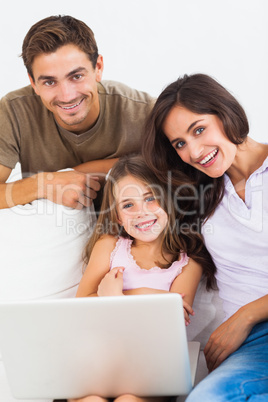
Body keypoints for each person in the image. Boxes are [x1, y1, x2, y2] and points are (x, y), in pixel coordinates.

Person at [142, 73, 268, 401]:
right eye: (180, 143)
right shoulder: (198, 195)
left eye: (199, 129)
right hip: (255, 346)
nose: (194, 151)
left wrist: (248, 314)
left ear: (225, 113)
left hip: (247, 324)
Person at [70, 154, 217, 402]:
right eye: (128, 205)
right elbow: (81, 305)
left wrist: (117, 296)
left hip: (150, 361)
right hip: (100, 357)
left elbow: (174, 316)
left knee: (130, 399)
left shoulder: (188, 259)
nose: (142, 212)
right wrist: (154, 298)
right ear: (117, 216)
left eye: (150, 199)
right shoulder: (109, 246)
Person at [0, 15, 155, 210]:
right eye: (49, 82)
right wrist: (44, 184)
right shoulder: (14, 111)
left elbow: (186, 170)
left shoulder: (145, 112)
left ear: (98, 68)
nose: (66, 96)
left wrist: (78, 172)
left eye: (76, 76)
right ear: (33, 83)